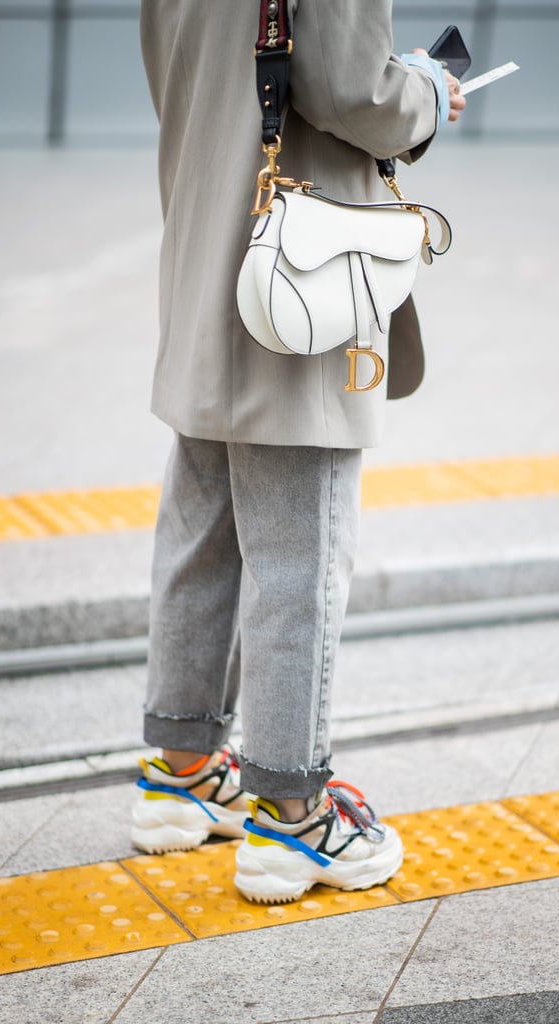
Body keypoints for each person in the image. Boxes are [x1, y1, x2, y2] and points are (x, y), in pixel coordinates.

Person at [131, 0, 466, 904]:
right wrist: (428, 91)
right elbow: (353, 90)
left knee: (201, 530)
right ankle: (293, 820)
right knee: (300, 554)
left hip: (203, 262)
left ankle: (183, 771)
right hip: (294, 279)